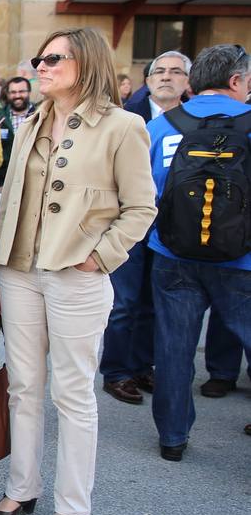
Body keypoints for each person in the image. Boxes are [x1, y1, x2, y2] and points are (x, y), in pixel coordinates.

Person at [0, 26, 156, 515]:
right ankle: (22, 487)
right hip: (19, 272)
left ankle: (74, 504)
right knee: (24, 387)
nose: (42, 66)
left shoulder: (123, 126)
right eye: (40, 58)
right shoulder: (31, 122)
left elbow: (142, 207)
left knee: (73, 391)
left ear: (88, 63)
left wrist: (99, 258)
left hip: (76, 275)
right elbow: (10, 202)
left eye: (54, 58)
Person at [146, 44, 251, 461]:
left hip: (173, 254)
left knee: (174, 346)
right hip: (242, 260)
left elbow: (144, 194)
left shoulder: (162, 127)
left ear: (194, 81)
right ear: (236, 81)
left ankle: (172, 437)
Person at [100, 50, 189, 404]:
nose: (166, 77)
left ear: (187, 81)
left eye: (175, 71)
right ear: (148, 80)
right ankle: (116, 371)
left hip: (172, 229)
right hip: (129, 223)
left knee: (154, 302)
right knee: (125, 302)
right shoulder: (127, 116)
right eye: (159, 71)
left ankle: (141, 365)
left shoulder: (195, 118)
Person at [0, 75, 34, 187]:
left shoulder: (40, 115)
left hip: (33, 177)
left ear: (29, 92)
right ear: (7, 94)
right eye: (13, 92)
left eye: (21, 91)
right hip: (4, 180)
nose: (17, 95)